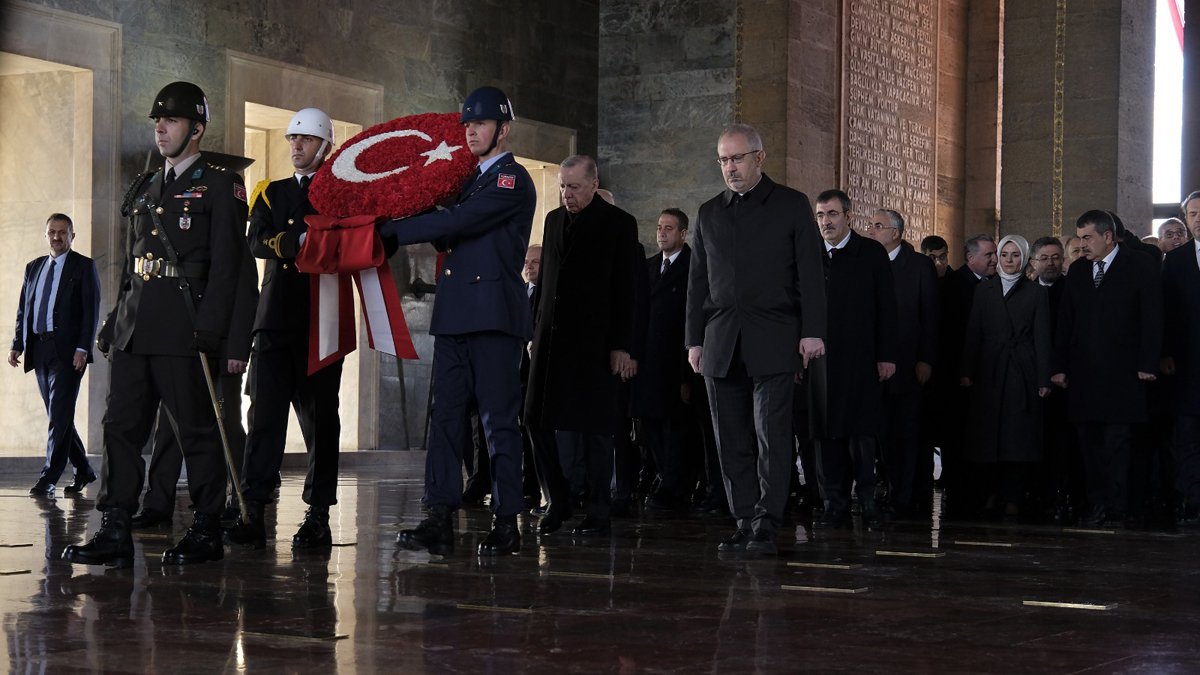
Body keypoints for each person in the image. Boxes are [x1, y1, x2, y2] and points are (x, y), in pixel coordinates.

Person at [62, 81, 256, 566]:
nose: (161, 128)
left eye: (170, 120)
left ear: (197, 128)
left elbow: (232, 270)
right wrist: (112, 322)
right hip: (135, 330)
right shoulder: (148, 187)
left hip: (186, 330)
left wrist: (222, 338)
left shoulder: (218, 185)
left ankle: (207, 527)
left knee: (197, 431)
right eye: (157, 121)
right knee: (121, 428)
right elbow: (133, 265)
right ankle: (114, 525)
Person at [380, 86, 535, 556]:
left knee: (497, 423)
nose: (471, 132)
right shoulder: (467, 181)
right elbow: (443, 213)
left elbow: (459, 223)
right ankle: (439, 516)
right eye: (467, 125)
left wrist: (390, 231)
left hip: (492, 318)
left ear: (503, 130)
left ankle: (507, 520)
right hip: (454, 318)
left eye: (480, 125)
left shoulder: (512, 181)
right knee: (444, 420)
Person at [686, 123, 827, 555]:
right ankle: (743, 516)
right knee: (729, 438)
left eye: (738, 158)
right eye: (723, 160)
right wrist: (694, 340)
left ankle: (768, 518)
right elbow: (697, 284)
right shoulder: (709, 211)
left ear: (759, 158)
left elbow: (810, 273)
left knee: (771, 436)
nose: (730, 167)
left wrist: (813, 331)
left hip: (775, 336)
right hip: (720, 341)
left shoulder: (791, 204)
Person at [222, 108, 358, 550]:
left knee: (322, 422)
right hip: (276, 318)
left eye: (305, 140)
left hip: (322, 320)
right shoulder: (271, 192)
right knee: (263, 419)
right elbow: (256, 239)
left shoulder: (344, 194)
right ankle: (253, 509)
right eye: (292, 140)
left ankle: (318, 514)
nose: (296, 147)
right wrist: (295, 242)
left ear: (325, 146)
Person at [524, 155, 639, 536]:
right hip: (549, 342)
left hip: (594, 344)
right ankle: (557, 501)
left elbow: (627, 291)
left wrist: (622, 345)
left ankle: (598, 510)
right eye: (562, 186)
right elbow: (545, 286)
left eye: (574, 187)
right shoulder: (553, 220)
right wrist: (533, 332)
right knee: (535, 420)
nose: (566, 194)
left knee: (595, 429)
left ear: (593, 184)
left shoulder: (619, 224)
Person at [1051, 210, 1162, 527]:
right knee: (1089, 444)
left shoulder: (1140, 265)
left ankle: (1117, 506)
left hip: (1125, 374)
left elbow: (1152, 317)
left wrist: (1147, 362)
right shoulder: (1078, 273)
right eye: (1080, 237)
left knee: (1119, 443)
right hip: (1084, 375)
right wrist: (1059, 367)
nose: (1082, 244)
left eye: (1088, 237)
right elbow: (1066, 323)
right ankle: (1097, 503)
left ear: (1108, 237)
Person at [808, 192, 898, 529]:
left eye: (832, 214)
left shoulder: (871, 253)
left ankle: (868, 500)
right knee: (825, 436)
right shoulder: (810, 254)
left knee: (862, 435)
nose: (826, 221)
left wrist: (886, 355)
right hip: (820, 360)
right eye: (820, 215)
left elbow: (887, 308)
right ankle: (834, 504)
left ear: (848, 215)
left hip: (861, 359)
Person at [960, 234, 1051, 519]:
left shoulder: (1036, 293)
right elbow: (974, 332)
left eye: (1014, 255)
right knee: (988, 436)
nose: (1009, 260)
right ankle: (991, 492)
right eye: (1004, 255)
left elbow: (1042, 338)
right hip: (989, 371)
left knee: (1017, 436)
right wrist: (966, 370)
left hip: (1020, 372)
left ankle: (1013, 495)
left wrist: (1043, 379)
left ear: (1023, 259)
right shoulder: (985, 291)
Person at [9, 213, 100, 496]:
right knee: (58, 416)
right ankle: (83, 470)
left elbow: (90, 311)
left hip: (69, 352)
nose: (57, 237)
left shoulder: (84, 266)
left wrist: (83, 348)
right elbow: (24, 308)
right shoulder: (33, 267)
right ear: (45, 234)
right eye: (52, 232)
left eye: (63, 232)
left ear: (73, 236)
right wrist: (17, 344)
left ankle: (49, 477)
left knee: (58, 415)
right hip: (40, 348)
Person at [864, 208, 939, 517]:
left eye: (878, 226)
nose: (871, 231)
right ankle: (884, 487)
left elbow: (931, 317)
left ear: (895, 233)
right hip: (872, 366)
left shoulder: (919, 266)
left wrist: (926, 359)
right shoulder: (867, 263)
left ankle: (904, 495)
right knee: (878, 431)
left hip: (908, 364)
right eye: (871, 225)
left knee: (906, 433)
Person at [632, 208, 693, 511]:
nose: (662, 233)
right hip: (649, 361)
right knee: (651, 425)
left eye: (669, 228)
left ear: (683, 233)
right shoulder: (649, 266)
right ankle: (661, 478)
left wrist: (686, 374)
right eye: (659, 227)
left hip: (676, 362)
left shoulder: (694, 266)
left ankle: (675, 486)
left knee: (676, 429)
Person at [932, 233, 995, 518]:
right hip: (958, 375)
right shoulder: (955, 286)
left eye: (995, 254)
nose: (995, 259)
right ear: (971, 258)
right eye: (989, 255)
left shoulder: (992, 284)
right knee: (957, 434)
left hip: (985, 375)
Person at [1029, 236, 1081, 522]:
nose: (1051, 263)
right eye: (1044, 258)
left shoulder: (1073, 289)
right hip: (1033, 381)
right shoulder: (1026, 291)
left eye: (1056, 258)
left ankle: (1062, 494)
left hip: (1064, 382)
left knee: (1063, 442)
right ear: (1034, 263)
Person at [1164, 191, 1200, 523]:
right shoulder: (1175, 261)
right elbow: (1167, 314)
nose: (1198, 217)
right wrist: (1166, 354)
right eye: (1193, 213)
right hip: (1187, 364)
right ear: (1186, 219)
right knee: (1187, 435)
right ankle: (1193, 500)